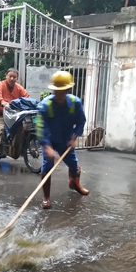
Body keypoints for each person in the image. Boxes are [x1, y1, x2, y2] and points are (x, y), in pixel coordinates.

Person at [36, 71, 89, 209]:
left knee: (73, 164)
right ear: (53, 90)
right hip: (50, 140)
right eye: (56, 91)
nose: (59, 94)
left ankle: (75, 184)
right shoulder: (45, 105)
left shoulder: (75, 103)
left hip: (66, 140)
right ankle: (46, 197)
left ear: (68, 90)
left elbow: (81, 121)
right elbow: (41, 127)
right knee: (47, 165)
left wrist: (74, 137)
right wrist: (47, 147)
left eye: (62, 91)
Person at [0, 68, 30, 167]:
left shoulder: (19, 88)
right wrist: (2, 102)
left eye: (14, 77)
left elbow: (26, 97)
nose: (12, 78)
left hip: (13, 115)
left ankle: (19, 150)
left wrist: (32, 103)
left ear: (17, 78)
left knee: (24, 129)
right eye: (10, 76)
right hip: (0, 114)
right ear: (6, 76)